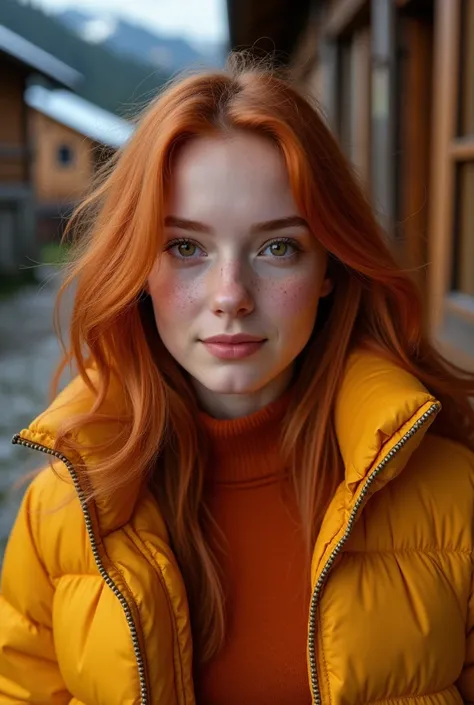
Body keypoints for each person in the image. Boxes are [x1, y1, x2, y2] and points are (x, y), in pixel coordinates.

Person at [1, 57, 474, 705]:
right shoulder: (64, 508)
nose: (230, 296)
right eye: (186, 247)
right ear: (138, 264)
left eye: (277, 246)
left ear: (331, 265)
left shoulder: (454, 491)